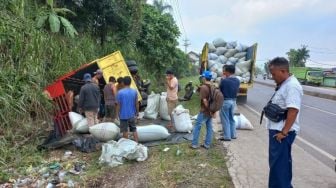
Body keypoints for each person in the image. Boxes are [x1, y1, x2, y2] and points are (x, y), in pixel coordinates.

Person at [266, 57, 303, 188]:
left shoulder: (292, 86)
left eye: (274, 74)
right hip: (277, 131)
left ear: (283, 71)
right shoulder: (285, 84)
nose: (272, 77)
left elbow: (293, 110)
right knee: (277, 166)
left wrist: (284, 132)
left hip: (281, 134)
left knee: (280, 167)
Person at [191, 71, 213, 149]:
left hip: (205, 110)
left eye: (202, 77)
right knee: (209, 127)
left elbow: (204, 100)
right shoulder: (213, 85)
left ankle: (194, 144)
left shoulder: (204, 87)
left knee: (197, 126)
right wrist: (212, 110)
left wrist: (208, 109)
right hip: (211, 110)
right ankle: (207, 144)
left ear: (204, 77)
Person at [218, 65, 240, 141]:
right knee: (231, 118)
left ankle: (227, 136)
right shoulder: (237, 80)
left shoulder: (224, 81)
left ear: (227, 72)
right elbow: (237, 91)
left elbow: (219, 90)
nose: (223, 72)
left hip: (226, 101)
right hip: (234, 101)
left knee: (225, 119)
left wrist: (221, 80)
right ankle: (233, 135)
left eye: (224, 71)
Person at [116, 76, 139, 142]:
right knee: (134, 129)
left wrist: (117, 114)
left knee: (125, 131)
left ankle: (126, 145)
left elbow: (118, 105)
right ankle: (136, 143)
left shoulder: (120, 92)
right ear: (130, 82)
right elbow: (136, 103)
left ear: (123, 83)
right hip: (132, 114)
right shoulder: (134, 91)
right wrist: (137, 113)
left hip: (123, 115)